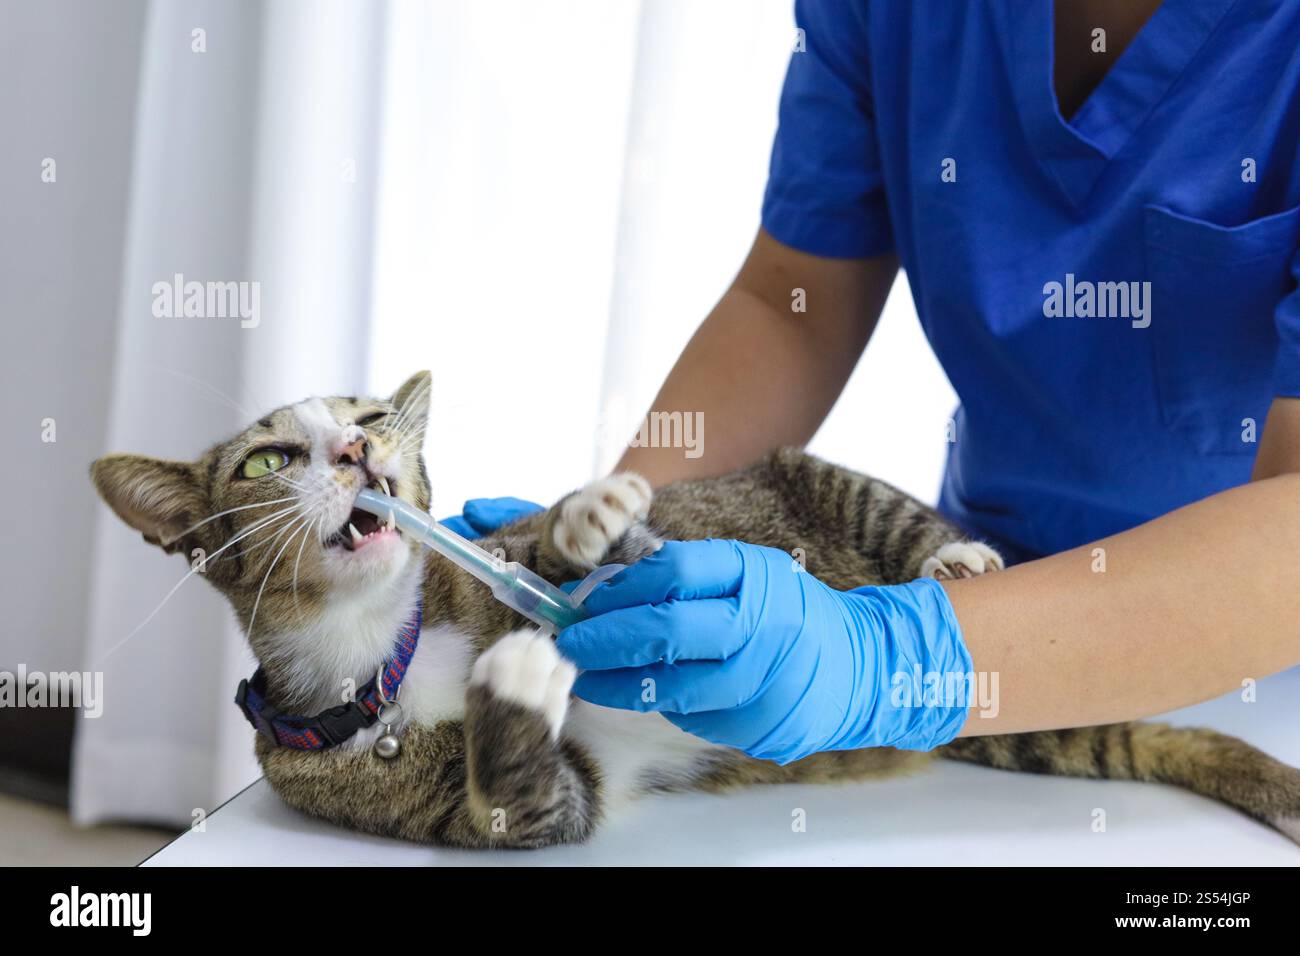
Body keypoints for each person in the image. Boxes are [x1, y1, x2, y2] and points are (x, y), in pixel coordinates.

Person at [448, 0, 1300, 764]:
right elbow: (795, 304)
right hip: (986, 615)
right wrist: (621, 547)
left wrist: (888, 660)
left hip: (1256, 666)